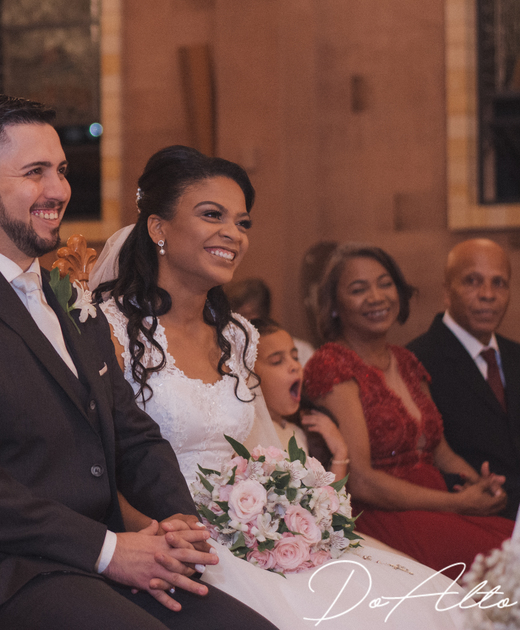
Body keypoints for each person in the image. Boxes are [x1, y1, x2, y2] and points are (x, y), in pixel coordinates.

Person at [0, 98, 275, 630]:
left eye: (60, 170)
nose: (59, 189)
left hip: (87, 562)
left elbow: (132, 435)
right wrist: (108, 550)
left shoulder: (70, 302)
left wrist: (180, 521)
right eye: (34, 172)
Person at [90, 146, 458, 628]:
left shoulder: (238, 336)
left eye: (242, 222)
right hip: (164, 536)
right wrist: (163, 537)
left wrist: (292, 510)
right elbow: (99, 460)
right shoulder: (110, 330)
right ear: (158, 228)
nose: (233, 233)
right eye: (212, 215)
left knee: (419, 605)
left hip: (253, 529)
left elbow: (259, 447)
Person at [303, 243, 515, 571]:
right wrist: (456, 503)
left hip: (437, 502)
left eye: (385, 284)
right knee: (508, 562)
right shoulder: (332, 364)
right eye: (358, 289)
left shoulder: (407, 361)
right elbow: (360, 480)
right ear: (334, 306)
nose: (376, 297)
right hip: (383, 513)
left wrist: (479, 485)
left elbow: (441, 453)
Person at [408, 238, 520, 517]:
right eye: (472, 281)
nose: (488, 294)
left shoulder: (516, 354)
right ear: (447, 292)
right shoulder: (415, 360)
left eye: (499, 283)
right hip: (470, 516)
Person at [250, 317, 348, 482]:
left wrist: (340, 452)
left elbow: (323, 497)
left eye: (295, 357)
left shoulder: (297, 434)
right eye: (277, 361)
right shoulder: (249, 436)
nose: (295, 366)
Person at [224, 277, 314, 364]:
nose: (236, 322)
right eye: (232, 315)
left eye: (245, 315)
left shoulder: (301, 350)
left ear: (264, 314)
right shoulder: (225, 351)